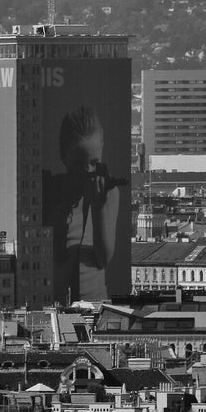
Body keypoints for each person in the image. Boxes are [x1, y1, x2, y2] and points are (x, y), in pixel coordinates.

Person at [48, 106, 125, 302]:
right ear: (63, 157)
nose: (87, 170)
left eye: (94, 162)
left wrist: (98, 208)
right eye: (79, 164)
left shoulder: (109, 193)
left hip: (95, 302)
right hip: (54, 302)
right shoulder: (51, 190)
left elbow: (103, 259)